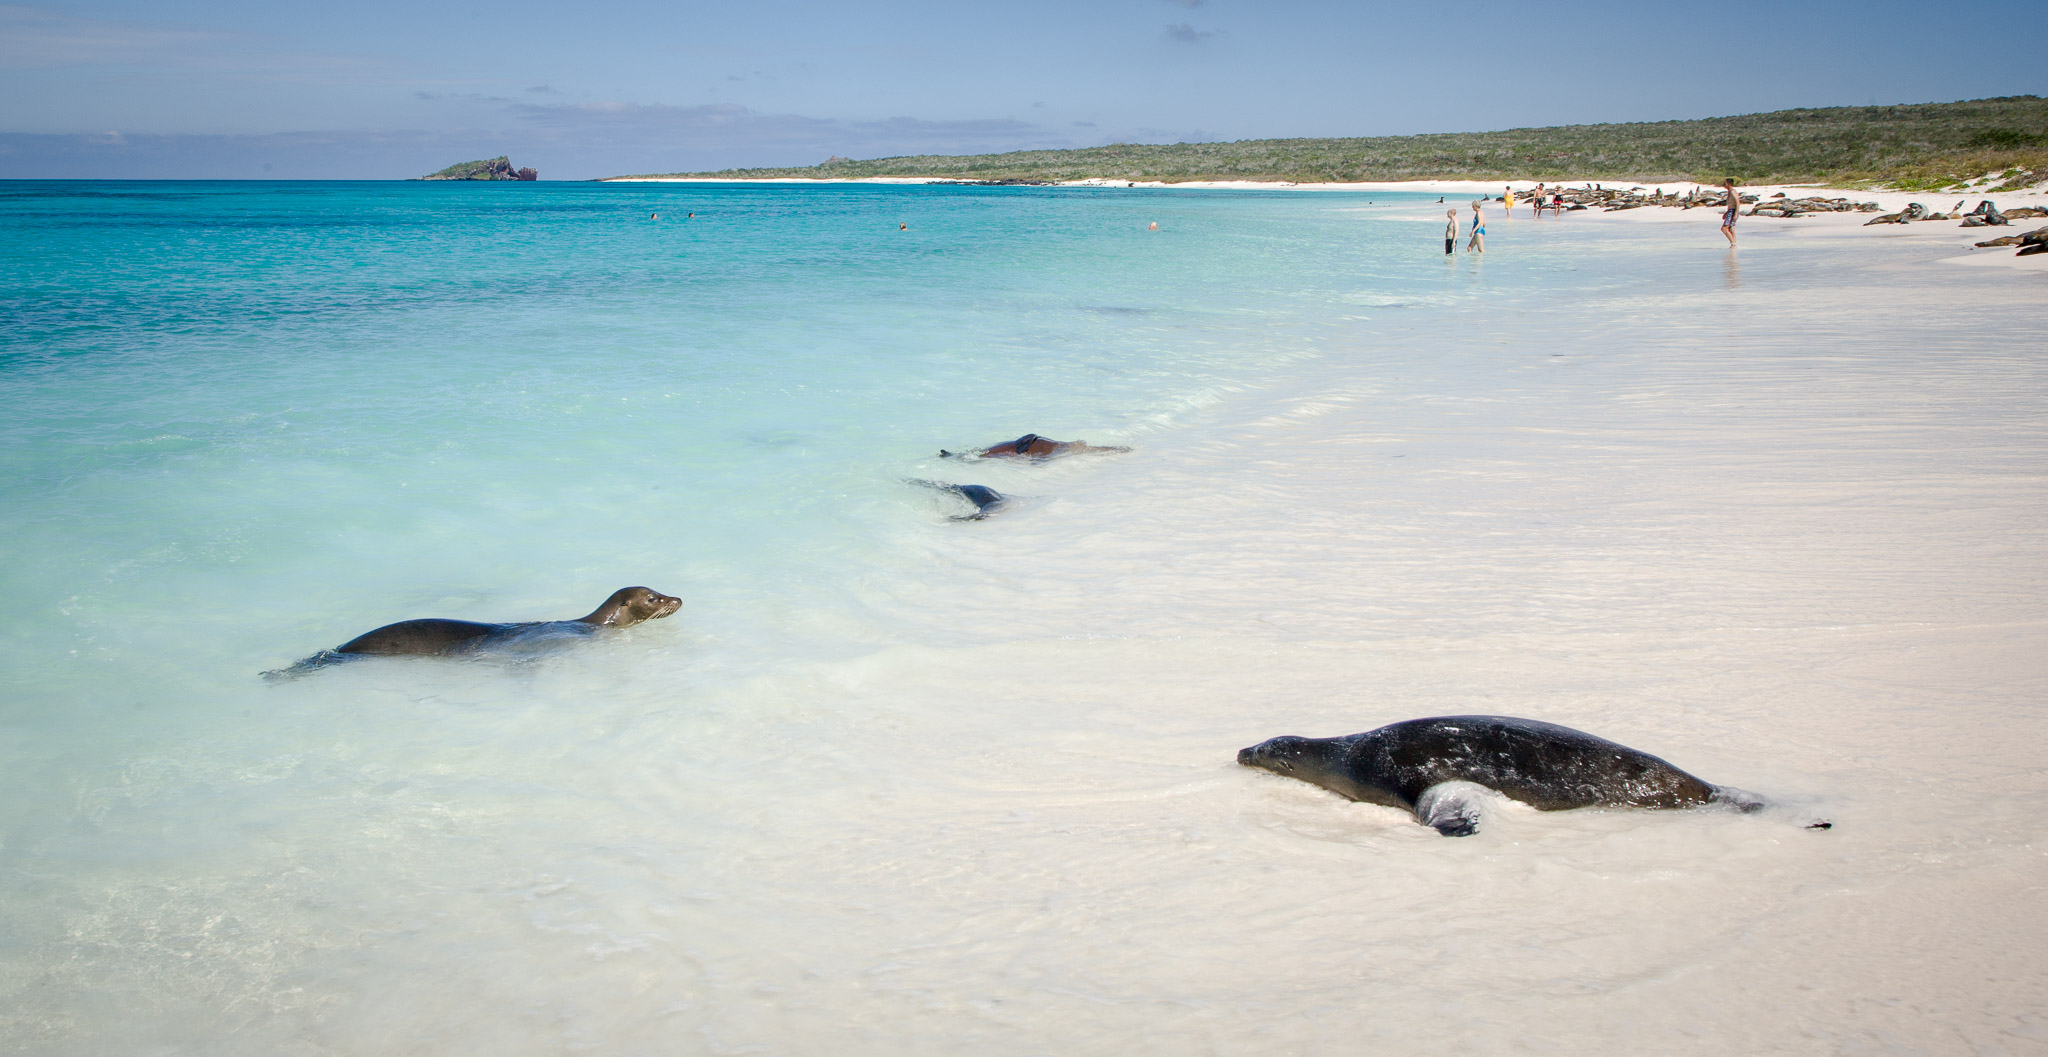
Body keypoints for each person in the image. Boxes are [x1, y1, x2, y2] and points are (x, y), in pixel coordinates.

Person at [1720, 177, 1740, 247]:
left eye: (1725, 183)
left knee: (1724, 229)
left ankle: (1733, 243)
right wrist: (1726, 212)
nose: (1724, 185)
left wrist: (1735, 214)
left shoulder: (1732, 192)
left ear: (1729, 183)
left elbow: (1737, 203)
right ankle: (1734, 244)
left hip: (1733, 211)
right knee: (1731, 229)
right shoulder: (1730, 191)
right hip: (1730, 211)